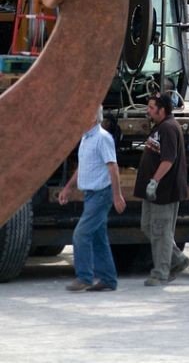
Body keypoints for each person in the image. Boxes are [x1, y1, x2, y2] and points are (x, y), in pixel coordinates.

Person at [59, 106, 126, 292]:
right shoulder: (86, 138)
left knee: (81, 234)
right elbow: (84, 167)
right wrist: (68, 188)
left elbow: (113, 167)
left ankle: (84, 277)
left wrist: (116, 195)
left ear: (92, 118)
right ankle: (108, 279)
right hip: (90, 195)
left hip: (100, 195)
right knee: (98, 238)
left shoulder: (102, 138)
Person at [134, 92, 189, 286]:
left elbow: (168, 159)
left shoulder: (168, 128)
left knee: (161, 230)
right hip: (154, 192)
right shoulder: (160, 127)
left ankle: (161, 272)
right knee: (148, 226)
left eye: (151, 108)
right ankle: (178, 259)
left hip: (164, 191)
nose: (148, 111)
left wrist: (154, 182)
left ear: (162, 110)